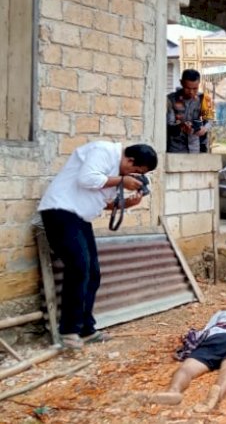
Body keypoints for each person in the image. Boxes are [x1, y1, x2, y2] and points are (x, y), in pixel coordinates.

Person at [38, 142, 158, 349]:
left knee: (92, 273)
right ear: (129, 160)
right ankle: (69, 332)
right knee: (78, 267)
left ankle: (86, 330)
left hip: (80, 217)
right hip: (60, 211)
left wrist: (128, 203)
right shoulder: (103, 150)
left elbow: (104, 203)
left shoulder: (118, 175)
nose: (135, 176)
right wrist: (123, 180)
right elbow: (87, 179)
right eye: (136, 171)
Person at [144, 310, 226, 412]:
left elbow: (207, 330)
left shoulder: (221, 314)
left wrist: (188, 349)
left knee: (187, 369)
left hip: (217, 337)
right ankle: (216, 396)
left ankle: (173, 391)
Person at [167, 69, 215, 153]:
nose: (191, 92)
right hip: (176, 148)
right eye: (187, 88)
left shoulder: (205, 99)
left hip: (197, 147)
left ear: (199, 83)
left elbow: (210, 120)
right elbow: (169, 124)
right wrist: (181, 127)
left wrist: (204, 128)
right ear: (181, 82)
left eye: (195, 88)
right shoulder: (171, 99)